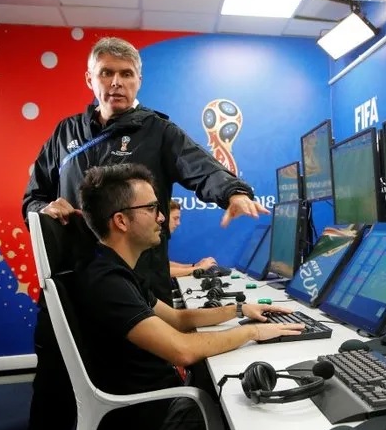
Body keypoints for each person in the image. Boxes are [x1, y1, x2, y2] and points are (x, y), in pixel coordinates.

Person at [22, 37, 269, 430]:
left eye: (126, 74)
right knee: (56, 390)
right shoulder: (66, 134)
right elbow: (33, 197)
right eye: (106, 73)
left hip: (136, 280)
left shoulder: (158, 131)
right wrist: (43, 209)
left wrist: (233, 192)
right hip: (71, 283)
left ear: (139, 80)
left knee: (139, 390)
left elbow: (202, 168)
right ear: (90, 79)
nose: (116, 82)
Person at [77, 163, 303, 430]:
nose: (161, 217)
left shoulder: (118, 270)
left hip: (167, 396)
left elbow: (178, 318)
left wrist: (240, 310)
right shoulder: (107, 281)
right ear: (121, 221)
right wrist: (252, 332)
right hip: (155, 414)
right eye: (152, 208)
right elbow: (182, 350)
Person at [168, 200, 217, 277]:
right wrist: (199, 268)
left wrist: (194, 265)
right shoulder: (151, 239)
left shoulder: (161, 237)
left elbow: (162, 264)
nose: (178, 223)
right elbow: (161, 271)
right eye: (175, 218)